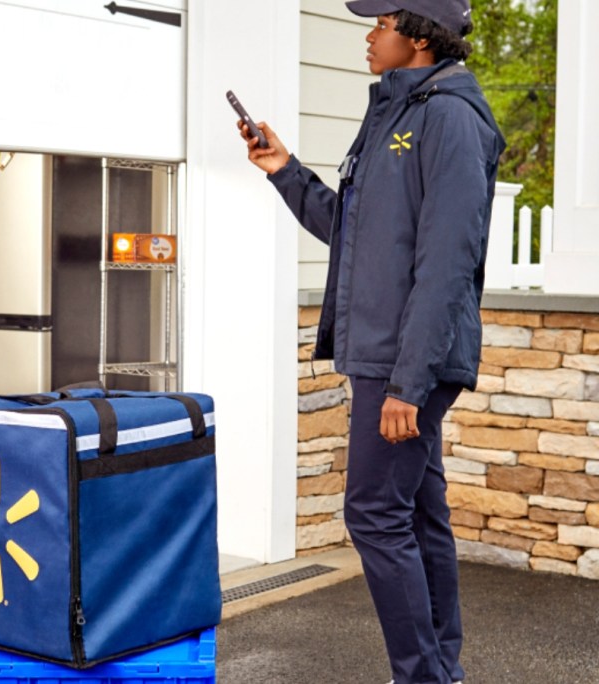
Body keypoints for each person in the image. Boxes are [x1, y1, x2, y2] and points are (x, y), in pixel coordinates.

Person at [237, 2, 505, 683]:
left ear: (418, 37)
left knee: (374, 516)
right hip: (388, 356)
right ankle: (439, 669)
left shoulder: (448, 119)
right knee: (416, 513)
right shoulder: (393, 113)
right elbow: (355, 236)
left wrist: (406, 385)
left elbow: (448, 262)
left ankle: (421, 676)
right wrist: (284, 170)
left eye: (380, 22)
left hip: (405, 361)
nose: (367, 34)